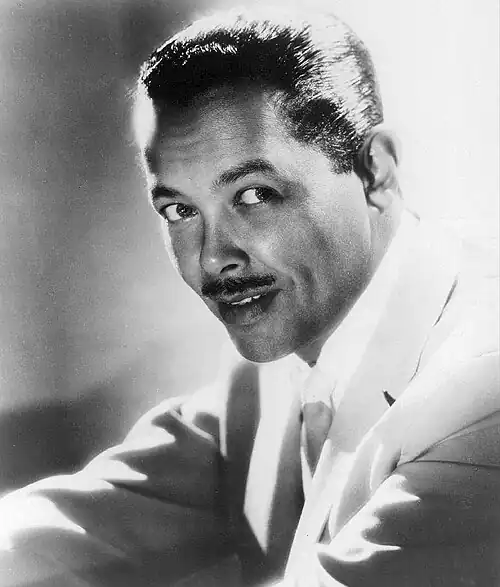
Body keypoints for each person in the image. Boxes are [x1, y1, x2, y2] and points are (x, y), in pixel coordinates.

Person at [0, 7, 498, 587]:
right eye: (179, 210)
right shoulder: (277, 363)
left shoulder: (480, 388)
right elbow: (75, 526)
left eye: (254, 194)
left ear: (374, 171)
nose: (213, 258)